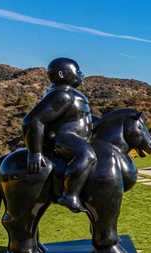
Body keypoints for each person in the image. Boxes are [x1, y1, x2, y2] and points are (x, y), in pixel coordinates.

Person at [22, 58, 96, 213]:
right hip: (65, 138)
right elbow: (33, 119)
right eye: (77, 71)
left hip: (77, 137)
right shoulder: (62, 95)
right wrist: (35, 152)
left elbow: (82, 117)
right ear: (62, 74)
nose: (81, 74)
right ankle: (70, 195)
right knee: (87, 155)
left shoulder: (72, 94)